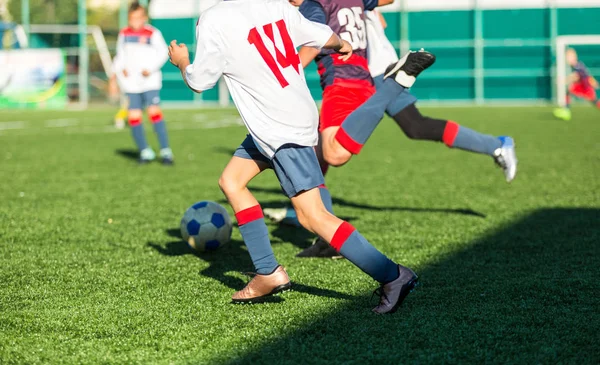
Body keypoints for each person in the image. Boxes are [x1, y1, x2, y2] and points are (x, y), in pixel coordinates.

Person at [168, 0, 434, 313]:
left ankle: (393, 275)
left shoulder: (212, 18)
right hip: (285, 119)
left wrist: (183, 61)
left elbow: (201, 81)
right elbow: (321, 34)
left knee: (313, 217)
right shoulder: (275, 7)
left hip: (279, 129)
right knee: (232, 181)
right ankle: (267, 271)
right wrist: (341, 43)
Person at [265, 3, 518, 258]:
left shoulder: (320, 6)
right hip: (369, 66)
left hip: (375, 70)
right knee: (405, 129)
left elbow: (325, 34)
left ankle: (495, 144)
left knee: (333, 150)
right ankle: (318, 221)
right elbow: (379, 18)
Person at [113, 2, 173, 164]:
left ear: (144, 18)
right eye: (132, 18)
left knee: (154, 112)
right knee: (134, 116)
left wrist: (150, 68)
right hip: (131, 84)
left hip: (150, 82)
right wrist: (120, 69)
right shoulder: (124, 34)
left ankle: (166, 151)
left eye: (138, 18)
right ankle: (145, 151)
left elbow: (163, 53)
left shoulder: (153, 33)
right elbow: (120, 55)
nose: (135, 22)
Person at [554, 48, 600, 121]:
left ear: (574, 57)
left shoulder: (577, 65)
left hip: (585, 87)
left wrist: (564, 80)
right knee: (568, 91)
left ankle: (566, 111)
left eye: (569, 57)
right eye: (567, 57)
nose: (567, 59)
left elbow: (577, 76)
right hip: (580, 85)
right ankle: (566, 111)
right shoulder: (577, 65)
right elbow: (587, 75)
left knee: (594, 101)